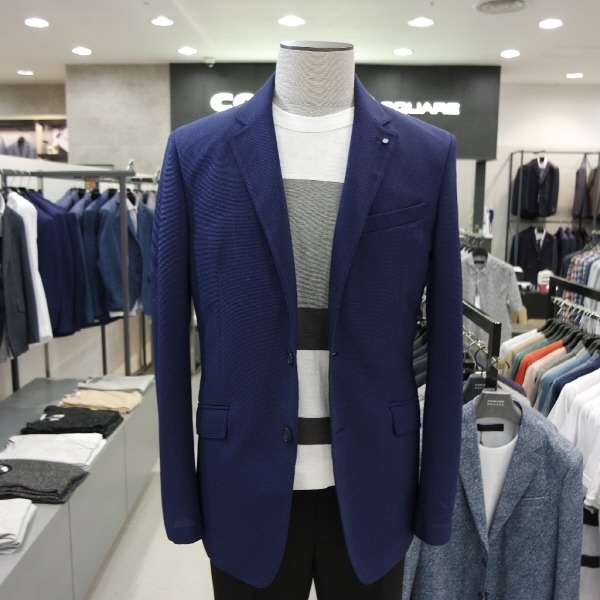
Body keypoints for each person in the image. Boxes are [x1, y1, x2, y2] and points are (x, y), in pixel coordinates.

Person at [152, 41, 463, 599]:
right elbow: (170, 342)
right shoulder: (196, 152)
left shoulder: (427, 153)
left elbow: (445, 344)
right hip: (241, 481)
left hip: (376, 485)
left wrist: (436, 502)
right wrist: (180, 499)